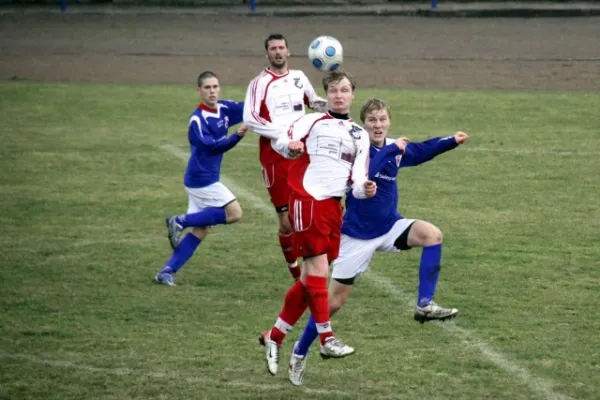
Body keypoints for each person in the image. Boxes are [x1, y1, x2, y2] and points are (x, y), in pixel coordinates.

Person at [287, 98, 470, 386]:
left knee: (432, 235)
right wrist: (389, 150)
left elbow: (420, 151)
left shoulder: (394, 148)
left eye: (382, 119)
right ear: (364, 124)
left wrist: (451, 141)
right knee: (333, 303)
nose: (378, 125)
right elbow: (368, 175)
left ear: (389, 121)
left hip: (389, 226)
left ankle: (424, 304)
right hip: (356, 236)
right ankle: (300, 351)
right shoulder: (356, 150)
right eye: (372, 120)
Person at [259, 70, 377, 376]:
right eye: (334, 90)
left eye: (345, 90)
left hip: (333, 207)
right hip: (307, 199)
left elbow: (359, 177)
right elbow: (282, 142)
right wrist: (290, 148)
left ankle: (276, 335)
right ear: (328, 94)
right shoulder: (312, 120)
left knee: (309, 280)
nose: (339, 95)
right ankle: (326, 337)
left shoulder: (359, 135)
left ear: (353, 94)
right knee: (319, 271)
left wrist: (365, 189)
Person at [243, 33, 327, 280]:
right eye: (273, 49)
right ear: (267, 54)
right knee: (286, 221)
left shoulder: (299, 78)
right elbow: (251, 119)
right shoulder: (259, 83)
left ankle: (314, 265)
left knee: (310, 210)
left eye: (281, 48)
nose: (278, 52)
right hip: (275, 158)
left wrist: (331, 104)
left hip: (302, 153)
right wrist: (283, 136)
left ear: (288, 51)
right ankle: (295, 271)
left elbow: (314, 102)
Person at [154, 71, 246, 286]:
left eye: (215, 87)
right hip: (201, 179)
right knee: (234, 213)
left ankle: (166, 272)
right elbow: (212, 147)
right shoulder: (197, 119)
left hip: (203, 178)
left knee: (202, 229)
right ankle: (179, 221)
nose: (212, 91)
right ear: (199, 91)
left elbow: (249, 108)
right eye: (207, 88)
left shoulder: (224, 108)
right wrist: (237, 136)